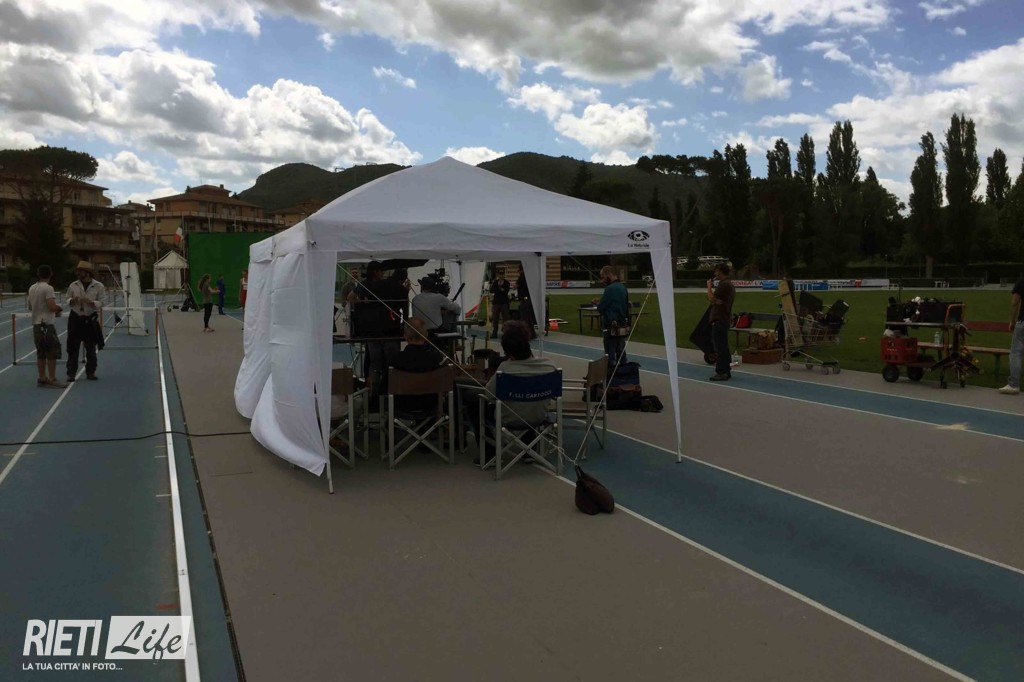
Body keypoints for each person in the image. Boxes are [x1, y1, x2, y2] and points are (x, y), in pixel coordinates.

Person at [389, 318, 445, 413]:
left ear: (405, 336)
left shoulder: (396, 359)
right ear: (426, 335)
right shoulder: (436, 359)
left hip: (402, 407)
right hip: (430, 406)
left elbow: (384, 387)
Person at [65, 260, 105, 382]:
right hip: (76, 317)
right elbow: (67, 298)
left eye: (80, 271)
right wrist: (72, 301)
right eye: (77, 271)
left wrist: (91, 302)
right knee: (73, 347)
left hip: (89, 318)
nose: (78, 273)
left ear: (87, 272)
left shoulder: (98, 286)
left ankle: (91, 372)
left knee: (91, 348)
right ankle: (71, 373)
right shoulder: (73, 285)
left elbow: (102, 302)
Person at [28, 265, 65, 388]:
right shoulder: (48, 288)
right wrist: (60, 308)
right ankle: (52, 378)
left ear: (38, 274)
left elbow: (30, 307)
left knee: (41, 352)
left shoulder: (32, 288)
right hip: (46, 325)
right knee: (52, 352)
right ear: (51, 274)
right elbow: (51, 306)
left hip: (36, 324)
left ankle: (42, 377)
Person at [593, 265, 629, 370]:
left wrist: (598, 303)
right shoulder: (623, 287)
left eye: (603, 277)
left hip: (611, 325)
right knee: (621, 351)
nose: (602, 280)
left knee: (610, 352)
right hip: (622, 324)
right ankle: (624, 372)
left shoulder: (610, 288)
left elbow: (602, 307)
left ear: (608, 274)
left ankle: (610, 374)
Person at [707, 262, 736, 381]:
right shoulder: (729, 284)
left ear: (720, 271)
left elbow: (712, 299)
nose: (715, 273)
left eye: (716, 271)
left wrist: (709, 287)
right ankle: (726, 370)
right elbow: (719, 301)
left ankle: (721, 371)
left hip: (720, 319)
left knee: (720, 347)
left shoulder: (724, 285)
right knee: (723, 346)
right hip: (724, 318)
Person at [997, 278, 1023, 395]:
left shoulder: (1021, 282)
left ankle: (1014, 384)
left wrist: (1012, 321)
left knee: (1016, 353)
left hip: (1023, 322)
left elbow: (1014, 303)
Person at [489, 271, 511, 337]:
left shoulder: (507, 283)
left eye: (502, 275)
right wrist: (500, 290)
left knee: (505, 318)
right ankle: (494, 332)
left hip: (504, 303)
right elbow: (491, 290)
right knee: (495, 318)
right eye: (500, 275)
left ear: (504, 275)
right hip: (496, 303)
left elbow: (506, 292)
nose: (501, 276)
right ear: (498, 275)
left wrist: (499, 290)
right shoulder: (495, 282)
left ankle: (506, 332)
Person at [516, 270, 537, 339]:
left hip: (524, 299)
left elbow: (516, 285)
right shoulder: (528, 276)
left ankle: (526, 334)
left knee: (524, 318)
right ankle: (532, 334)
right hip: (528, 298)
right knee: (529, 317)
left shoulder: (521, 277)